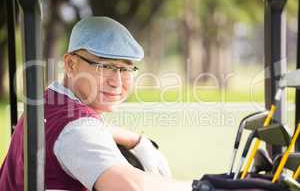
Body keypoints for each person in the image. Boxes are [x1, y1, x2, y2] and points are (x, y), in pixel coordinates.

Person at [0, 16, 200, 191]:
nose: (117, 82)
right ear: (71, 64)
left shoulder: (49, 101)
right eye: (105, 67)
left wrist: (136, 139)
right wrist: (200, 186)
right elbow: (130, 187)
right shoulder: (77, 128)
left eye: (125, 70)